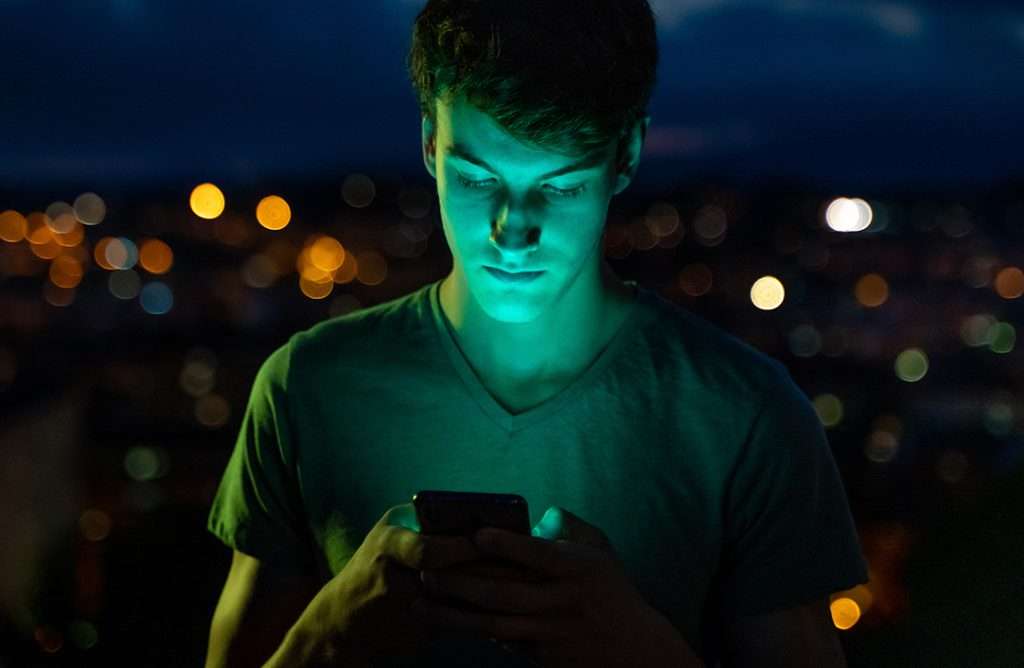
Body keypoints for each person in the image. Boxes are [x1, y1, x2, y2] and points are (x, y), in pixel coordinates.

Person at [204, 1, 868, 666]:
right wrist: (329, 636)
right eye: (476, 178)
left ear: (627, 154)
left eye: (559, 187)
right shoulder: (305, 391)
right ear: (430, 145)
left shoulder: (745, 418)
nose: (511, 230)